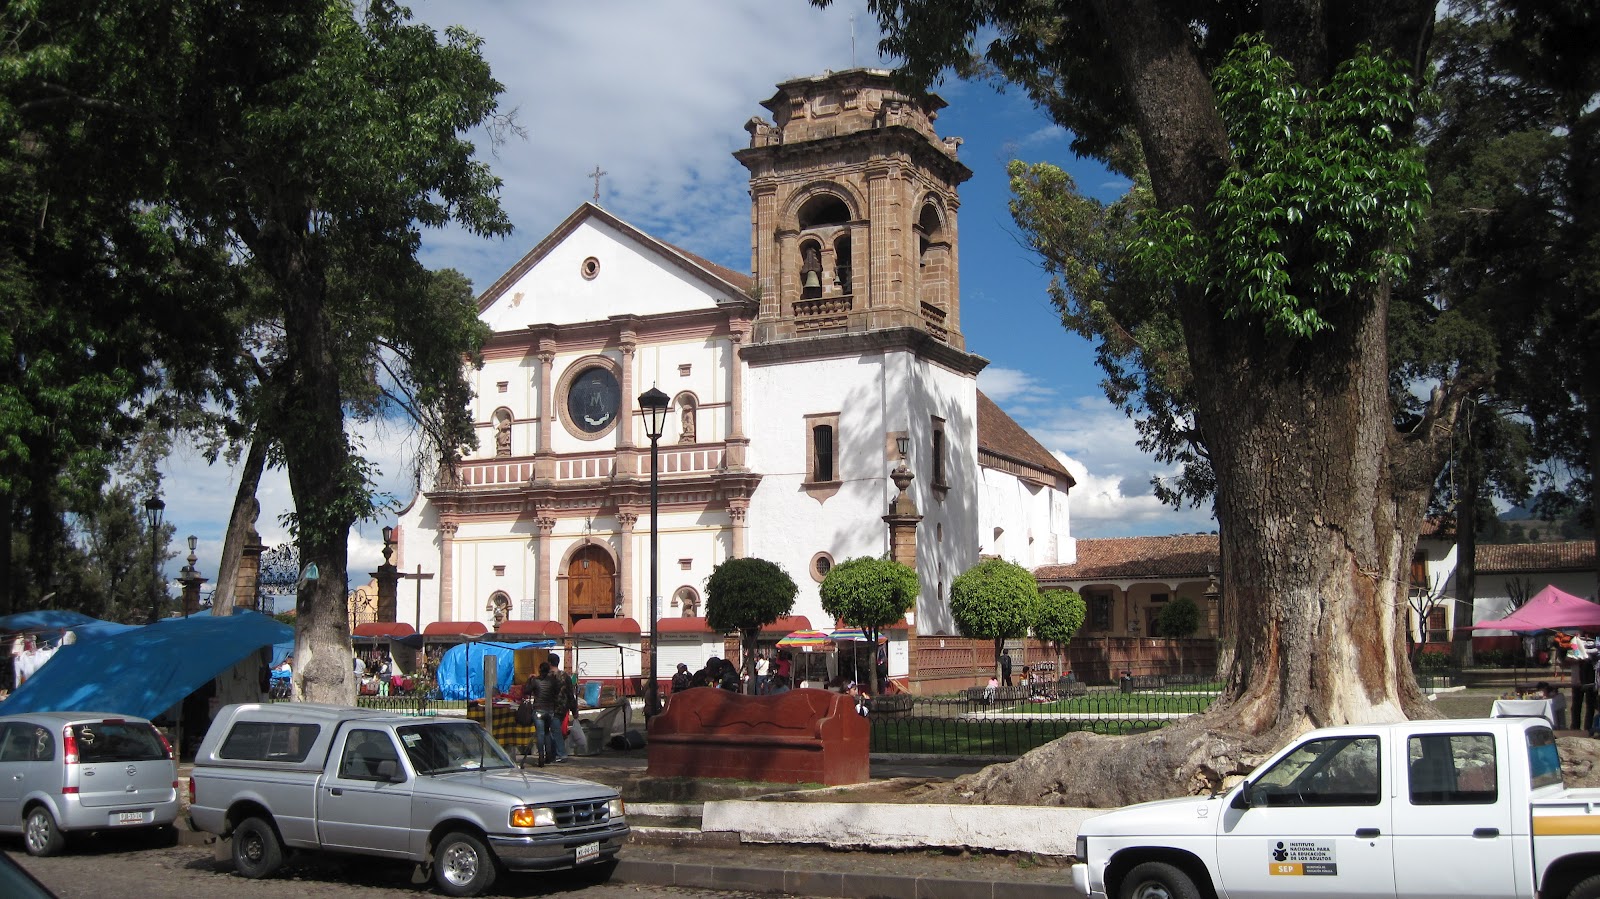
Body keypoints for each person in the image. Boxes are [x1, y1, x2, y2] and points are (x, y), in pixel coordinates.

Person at [523, 662, 562, 765]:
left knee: (540, 734)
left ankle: (541, 757)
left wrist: (529, 679)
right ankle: (548, 756)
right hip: (550, 711)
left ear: (539, 670)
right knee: (547, 732)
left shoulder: (535, 681)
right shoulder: (553, 681)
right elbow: (558, 691)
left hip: (538, 710)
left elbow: (526, 691)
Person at [546, 653, 574, 761]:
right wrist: (574, 709)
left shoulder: (547, 676)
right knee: (554, 729)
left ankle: (561, 754)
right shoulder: (565, 676)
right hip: (563, 707)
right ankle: (553, 754)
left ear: (549, 663)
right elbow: (570, 694)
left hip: (551, 707)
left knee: (554, 730)